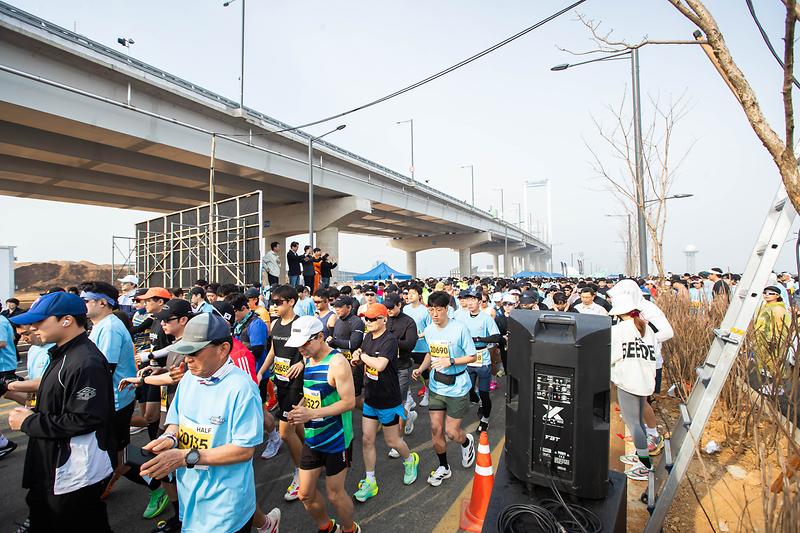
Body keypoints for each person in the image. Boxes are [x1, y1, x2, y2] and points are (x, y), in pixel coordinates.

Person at [139, 312, 280, 533]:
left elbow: (244, 450)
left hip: (225, 504)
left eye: (195, 352)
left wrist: (185, 457)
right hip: (192, 496)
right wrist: (169, 438)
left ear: (223, 349)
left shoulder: (241, 388)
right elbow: (176, 421)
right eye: (185, 352)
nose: (187, 359)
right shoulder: (189, 379)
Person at [7, 292, 115, 531]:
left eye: (39, 321)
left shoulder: (85, 362)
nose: (33, 327)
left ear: (66, 320)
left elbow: (86, 417)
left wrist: (29, 422)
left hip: (72, 469)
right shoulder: (63, 354)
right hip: (53, 463)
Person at [285, 316, 359, 533]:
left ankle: (349, 529)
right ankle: (327, 527)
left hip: (337, 438)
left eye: (304, 343)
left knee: (335, 495)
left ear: (319, 337)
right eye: (298, 344)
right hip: (313, 437)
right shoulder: (308, 359)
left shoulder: (337, 362)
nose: (300, 349)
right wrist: (299, 409)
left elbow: (349, 402)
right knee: (305, 493)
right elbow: (312, 394)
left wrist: (311, 413)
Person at [350, 303, 419, 503]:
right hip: (371, 397)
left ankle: (410, 460)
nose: (368, 322)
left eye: (372, 319)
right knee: (367, 439)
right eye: (366, 319)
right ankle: (370, 480)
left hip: (388, 399)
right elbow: (364, 356)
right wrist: (357, 358)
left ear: (383, 320)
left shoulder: (390, 340)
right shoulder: (367, 337)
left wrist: (362, 356)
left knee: (392, 441)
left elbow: (380, 365)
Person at [412, 291, 477, 487]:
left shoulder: (459, 329)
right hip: (437, 385)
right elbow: (430, 354)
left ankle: (466, 442)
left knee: (451, 432)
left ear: (447, 309)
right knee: (435, 428)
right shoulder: (430, 330)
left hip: (457, 386)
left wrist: (451, 361)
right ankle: (444, 467)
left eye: (438, 310)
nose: (434, 314)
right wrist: (421, 368)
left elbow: (472, 356)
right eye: (431, 310)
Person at [257, 285, 306, 498]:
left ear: (291, 302)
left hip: (297, 383)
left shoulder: (300, 324)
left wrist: (302, 363)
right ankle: (311, 457)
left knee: (286, 432)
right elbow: (273, 352)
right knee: (298, 427)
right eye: (272, 302)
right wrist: (260, 372)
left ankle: (300, 472)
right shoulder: (275, 324)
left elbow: (314, 350)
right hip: (281, 381)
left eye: (278, 302)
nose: (273, 306)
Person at [608, 294, 658, 481]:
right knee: (638, 420)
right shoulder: (647, 328)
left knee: (633, 423)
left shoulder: (619, 329)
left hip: (628, 380)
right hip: (644, 380)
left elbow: (612, 356)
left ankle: (645, 465)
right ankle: (640, 455)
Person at [454, 288, 502, 434]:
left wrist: (480, 339)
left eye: (473, 299)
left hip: (482, 359)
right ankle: (477, 400)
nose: (469, 303)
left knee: (484, 392)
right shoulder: (461, 318)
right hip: (468, 358)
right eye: (468, 299)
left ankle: (485, 420)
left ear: (480, 302)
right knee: (468, 390)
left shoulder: (486, 318)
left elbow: (496, 337)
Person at [384, 293, 419, 440]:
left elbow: (410, 344)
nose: (389, 310)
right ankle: (409, 415)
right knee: (389, 399)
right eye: (386, 307)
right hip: (385, 366)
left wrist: (390, 341)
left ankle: (399, 440)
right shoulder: (384, 319)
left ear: (399, 305)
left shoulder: (408, 322)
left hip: (402, 367)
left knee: (399, 402)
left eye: (391, 307)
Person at [329, 297, 365, 406]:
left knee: (355, 399)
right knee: (341, 396)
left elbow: (353, 344)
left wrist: (334, 341)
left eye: (340, 307)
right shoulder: (338, 321)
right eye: (335, 307)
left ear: (349, 307)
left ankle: (378, 416)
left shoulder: (357, 322)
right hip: (339, 363)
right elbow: (336, 341)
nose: (337, 309)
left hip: (354, 364)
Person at [404, 284, 432, 407]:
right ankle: (409, 398)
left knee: (424, 373)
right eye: (408, 293)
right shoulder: (405, 309)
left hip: (422, 346)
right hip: (408, 346)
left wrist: (422, 335)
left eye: (413, 293)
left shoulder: (425, 310)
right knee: (405, 373)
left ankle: (428, 394)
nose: (410, 295)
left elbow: (431, 328)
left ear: (420, 295)